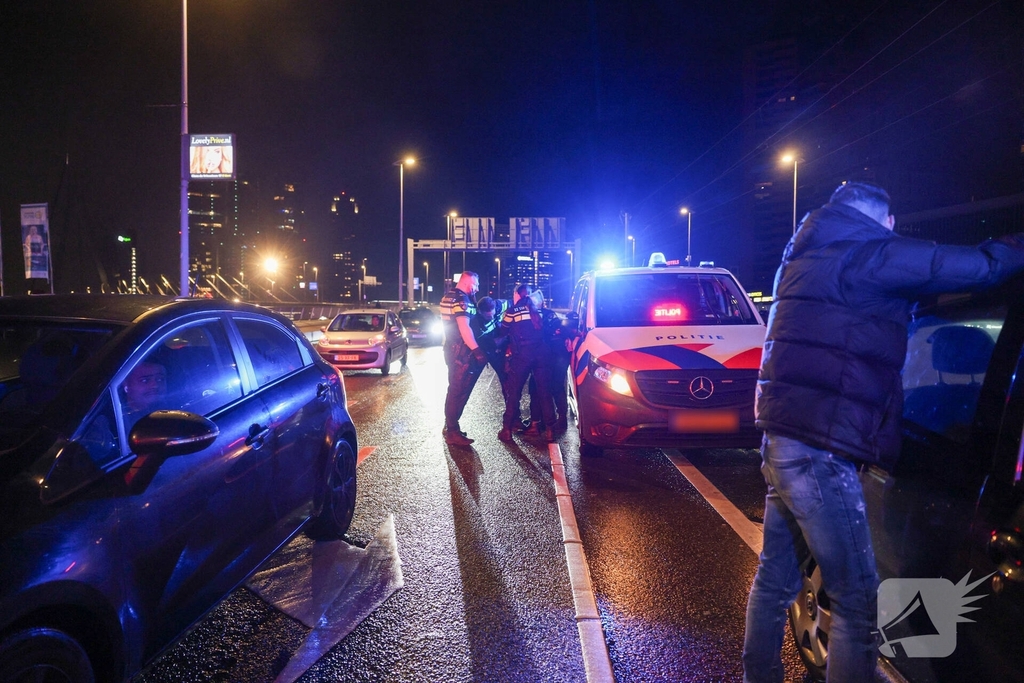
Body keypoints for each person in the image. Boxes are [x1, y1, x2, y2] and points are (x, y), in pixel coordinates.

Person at [743, 181, 1024, 683]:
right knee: (858, 602)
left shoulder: (804, 256)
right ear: (881, 220)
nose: (895, 231)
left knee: (775, 578)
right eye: (892, 224)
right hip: (822, 449)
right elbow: (980, 268)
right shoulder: (870, 252)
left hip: (782, 437)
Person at [498, 284, 556, 443]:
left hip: (522, 356)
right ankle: (551, 430)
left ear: (517, 295)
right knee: (544, 392)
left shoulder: (511, 312)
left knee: (514, 393)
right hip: (541, 355)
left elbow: (502, 332)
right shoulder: (538, 312)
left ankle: (507, 430)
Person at [440, 271, 487, 446]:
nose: (477, 288)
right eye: (475, 284)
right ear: (468, 282)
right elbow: (464, 327)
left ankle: (451, 426)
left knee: (454, 389)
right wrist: (476, 350)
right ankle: (452, 431)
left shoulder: (449, 296)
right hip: (460, 351)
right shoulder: (462, 300)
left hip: (452, 349)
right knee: (458, 391)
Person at [471, 296, 509, 386]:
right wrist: (507, 335)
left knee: (507, 378)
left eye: (493, 314)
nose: (492, 318)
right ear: (480, 312)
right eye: (488, 316)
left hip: (498, 337)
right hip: (488, 348)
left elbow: (514, 302)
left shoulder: (500, 305)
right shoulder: (476, 325)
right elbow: (492, 343)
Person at [121, 360, 168, 429]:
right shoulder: (114, 421)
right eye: (144, 380)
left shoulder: (177, 413)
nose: (155, 385)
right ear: (126, 385)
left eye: (159, 379)